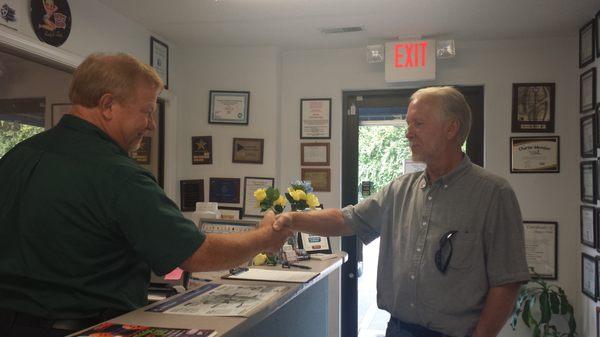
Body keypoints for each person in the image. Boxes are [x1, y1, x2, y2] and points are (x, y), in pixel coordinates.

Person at [0, 52, 291, 337]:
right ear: (108, 105)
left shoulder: (16, 156)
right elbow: (196, 254)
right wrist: (263, 237)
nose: (151, 124)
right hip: (85, 327)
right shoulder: (119, 174)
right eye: (147, 111)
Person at [273, 86, 530, 337]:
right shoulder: (400, 189)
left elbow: (507, 281)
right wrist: (293, 219)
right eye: (408, 124)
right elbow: (345, 220)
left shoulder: (493, 193)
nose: (408, 134)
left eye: (418, 124)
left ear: (452, 128)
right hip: (397, 329)